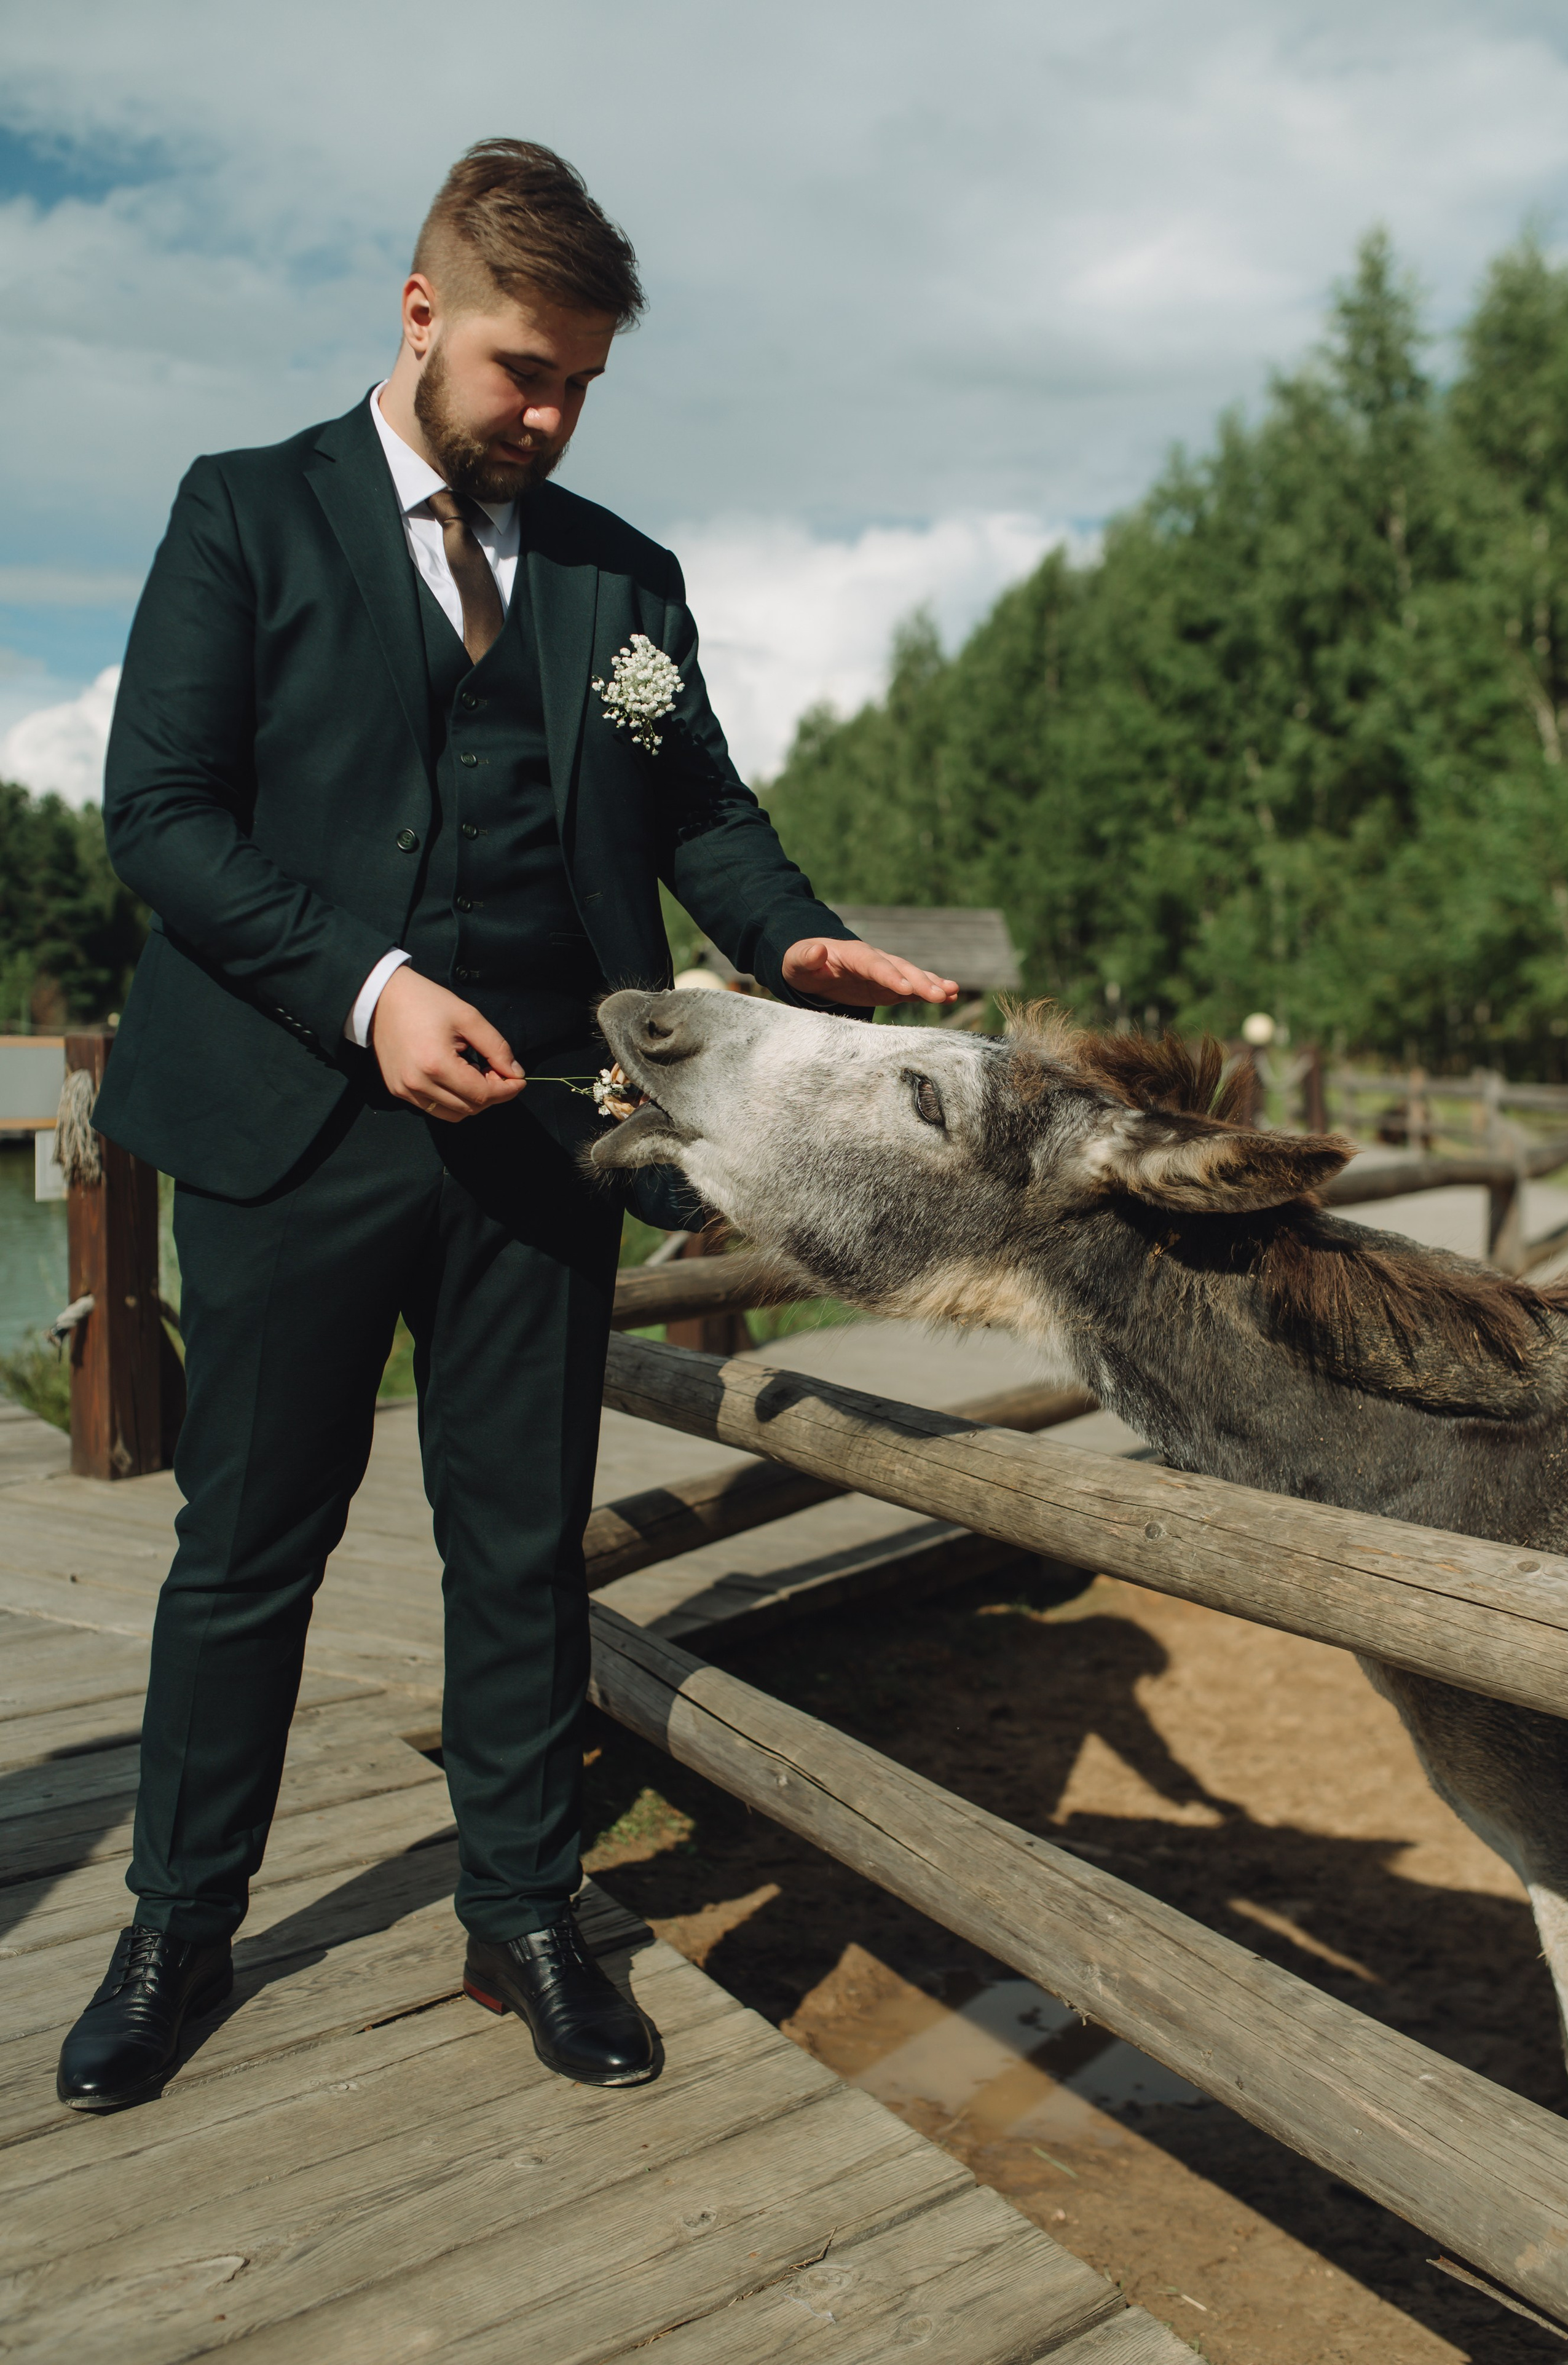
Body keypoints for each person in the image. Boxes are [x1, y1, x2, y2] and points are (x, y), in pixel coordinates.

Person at [55, 140, 956, 2111]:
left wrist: (800, 943)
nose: (546, 418)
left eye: (579, 389)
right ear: (419, 315)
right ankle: (178, 1924)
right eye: (519, 374)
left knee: (523, 1549)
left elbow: (703, 809)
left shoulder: (627, 576)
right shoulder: (241, 516)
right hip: (298, 1121)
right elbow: (164, 823)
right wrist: (369, 994)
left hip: (551, 1132)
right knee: (246, 1549)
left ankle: (528, 1915)